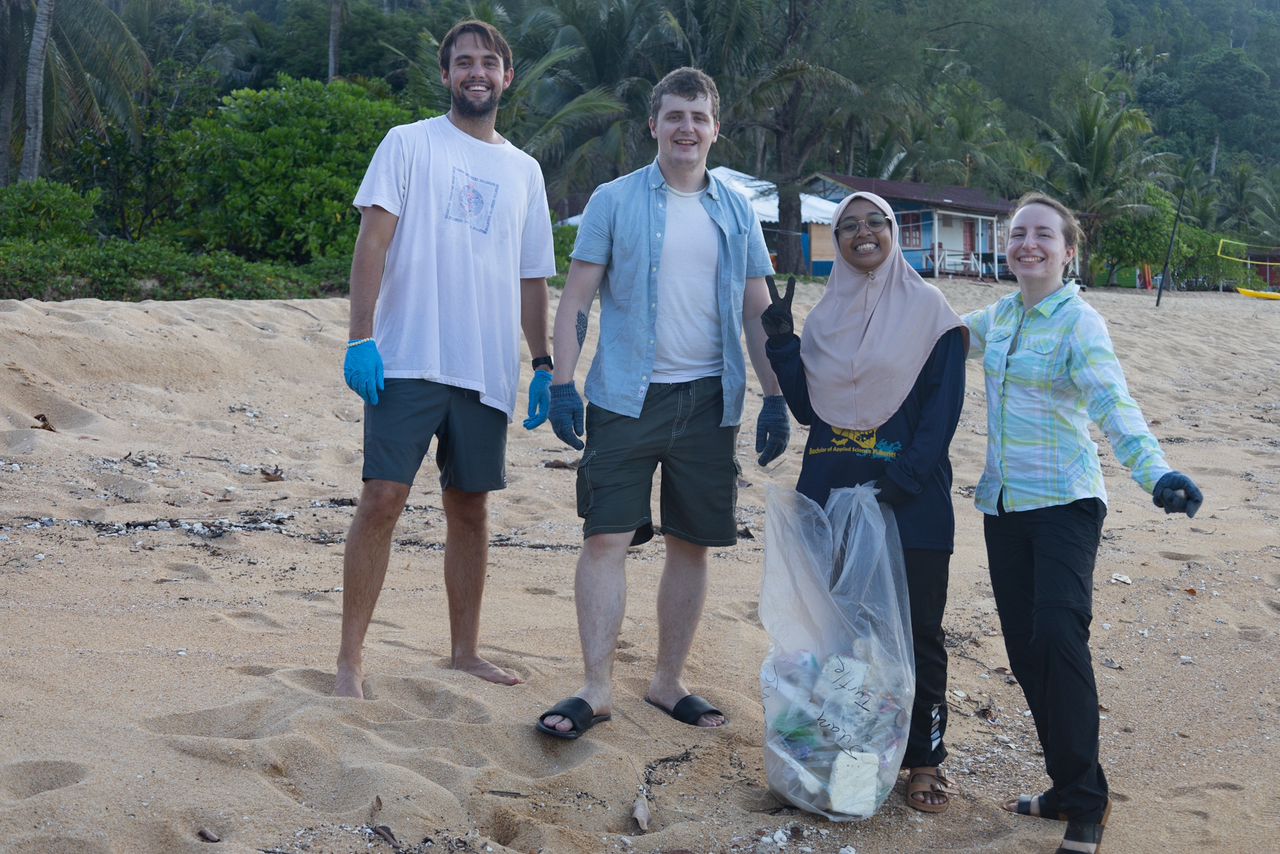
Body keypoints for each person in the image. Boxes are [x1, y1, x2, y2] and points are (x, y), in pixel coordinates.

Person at [534, 66, 790, 739]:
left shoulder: (736, 209)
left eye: (698, 117)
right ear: (654, 124)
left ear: (715, 128)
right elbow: (577, 301)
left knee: (692, 544)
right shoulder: (615, 200)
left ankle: (668, 681)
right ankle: (595, 688)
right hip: (624, 398)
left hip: (711, 402)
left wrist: (775, 398)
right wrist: (563, 382)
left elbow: (759, 310)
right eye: (674, 116)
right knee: (605, 537)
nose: (687, 128)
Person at [964, 192, 1204, 853]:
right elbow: (934, 337)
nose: (1028, 244)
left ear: (1069, 252)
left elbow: (1114, 405)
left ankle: (1087, 806)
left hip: (1067, 504)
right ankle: (1069, 784)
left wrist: (1157, 476)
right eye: (1018, 234)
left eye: (1043, 235)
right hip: (1004, 506)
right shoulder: (1000, 318)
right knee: (1027, 653)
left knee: (1058, 636)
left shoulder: (1080, 324)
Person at [334, 19, 557, 698]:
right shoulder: (409, 144)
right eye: (464, 63)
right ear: (446, 75)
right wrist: (360, 337)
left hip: (486, 366)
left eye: (489, 62)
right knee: (382, 498)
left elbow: (531, 278)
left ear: (507, 76)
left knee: (470, 508)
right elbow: (372, 244)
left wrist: (543, 361)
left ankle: (465, 651)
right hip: (407, 356)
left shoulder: (525, 170)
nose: (477, 72)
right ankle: (349, 660)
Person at [759, 192, 968, 813]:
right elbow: (810, 412)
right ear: (837, 243)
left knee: (918, 633)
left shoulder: (932, 313)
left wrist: (897, 487)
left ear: (893, 232)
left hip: (909, 504)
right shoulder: (826, 318)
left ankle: (924, 760)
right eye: (847, 226)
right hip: (829, 500)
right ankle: (849, 766)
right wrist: (783, 346)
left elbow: (942, 413)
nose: (862, 233)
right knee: (839, 638)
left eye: (874, 221)